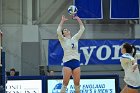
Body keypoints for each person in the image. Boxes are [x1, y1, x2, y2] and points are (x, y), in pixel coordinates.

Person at [57, 15, 85, 93]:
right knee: (65, 83)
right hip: (67, 62)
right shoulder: (63, 40)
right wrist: (62, 21)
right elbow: (58, 31)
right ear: (63, 34)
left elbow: (82, 29)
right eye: (65, 30)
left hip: (76, 62)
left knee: (77, 84)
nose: (67, 30)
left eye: (67, 29)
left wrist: (78, 19)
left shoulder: (75, 38)